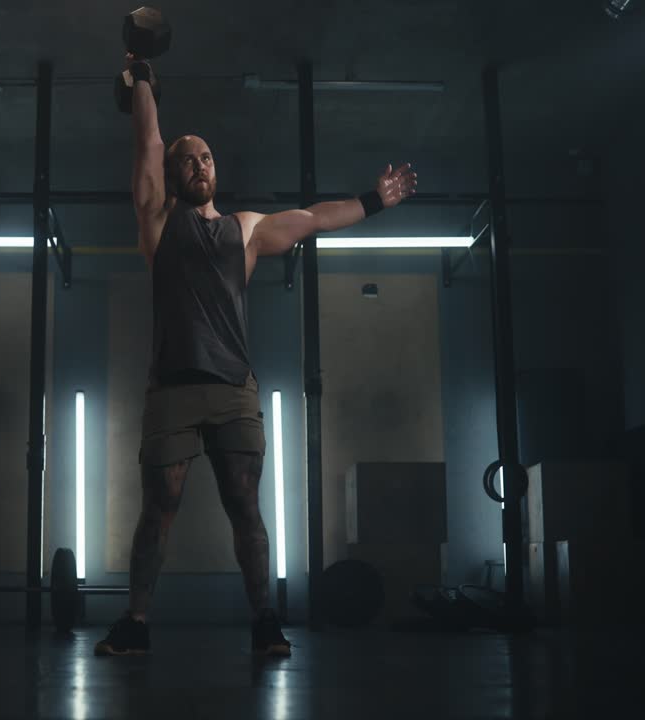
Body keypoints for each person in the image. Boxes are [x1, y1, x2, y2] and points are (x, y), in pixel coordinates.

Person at [94, 54, 418, 657]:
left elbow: (315, 218)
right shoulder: (157, 222)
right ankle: (135, 625)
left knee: (246, 506)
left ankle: (264, 621)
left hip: (234, 390)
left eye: (208, 156)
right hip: (171, 388)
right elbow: (149, 139)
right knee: (157, 509)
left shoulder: (245, 229)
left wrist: (375, 201)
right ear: (170, 173)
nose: (200, 163)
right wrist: (142, 79)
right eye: (188, 158)